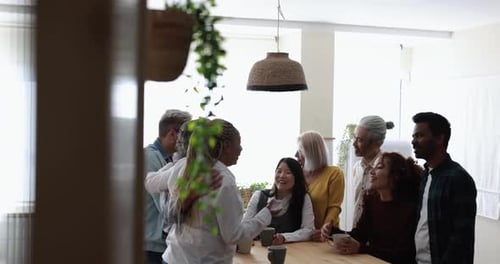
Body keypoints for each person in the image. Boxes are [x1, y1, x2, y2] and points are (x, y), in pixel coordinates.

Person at [164, 119, 274, 264]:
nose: (241, 149)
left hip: (174, 257)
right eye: (239, 143)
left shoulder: (184, 169)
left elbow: (168, 218)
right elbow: (234, 235)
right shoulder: (223, 179)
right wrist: (266, 215)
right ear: (226, 146)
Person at [322, 152, 421, 264]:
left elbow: (403, 255)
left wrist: (361, 248)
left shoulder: (409, 209)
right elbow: (359, 235)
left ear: (395, 175)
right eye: (372, 168)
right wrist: (333, 232)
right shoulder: (371, 201)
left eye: (379, 167)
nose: (372, 172)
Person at [412, 112, 477, 264]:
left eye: (420, 136)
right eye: (414, 136)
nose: (413, 142)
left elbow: (461, 237)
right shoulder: (426, 174)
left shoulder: (458, 179)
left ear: (440, 138)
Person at [143, 109, 191, 264]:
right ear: (172, 134)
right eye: (186, 136)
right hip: (151, 247)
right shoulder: (150, 157)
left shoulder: (169, 159)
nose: (190, 142)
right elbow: (168, 210)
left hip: (159, 246)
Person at [243, 157, 315, 244]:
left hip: (292, 252)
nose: (282, 176)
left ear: (297, 177)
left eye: (288, 172)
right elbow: (244, 226)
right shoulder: (259, 196)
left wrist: (284, 237)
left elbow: (308, 230)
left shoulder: (303, 198)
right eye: (279, 171)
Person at [295, 131, 345, 241]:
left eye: (300, 151)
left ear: (311, 153)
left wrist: (324, 230)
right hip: (299, 236)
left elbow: (334, 207)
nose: (296, 155)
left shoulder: (334, 174)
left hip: (324, 237)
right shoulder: (296, 174)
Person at [352, 115, 394, 227]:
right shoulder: (357, 167)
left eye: (360, 140)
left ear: (377, 143)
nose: (354, 143)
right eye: (354, 137)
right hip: (357, 234)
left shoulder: (387, 171)